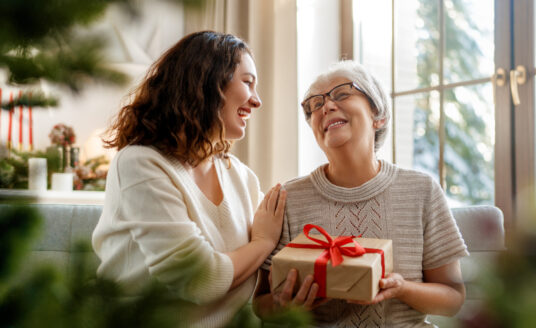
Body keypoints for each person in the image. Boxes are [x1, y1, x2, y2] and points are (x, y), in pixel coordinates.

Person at [92, 31, 286, 328]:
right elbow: (200, 280)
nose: (257, 101)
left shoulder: (242, 177)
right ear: (208, 82)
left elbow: (266, 281)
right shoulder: (140, 164)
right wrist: (262, 242)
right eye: (247, 82)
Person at [253, 61, 468, 327]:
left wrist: (401, 288)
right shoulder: (288, 198)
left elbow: (453, 299)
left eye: (342, 94)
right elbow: (260, 304)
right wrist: (281, 305)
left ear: (379, 116)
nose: (327, 106)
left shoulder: (422, 190)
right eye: (315, 105)